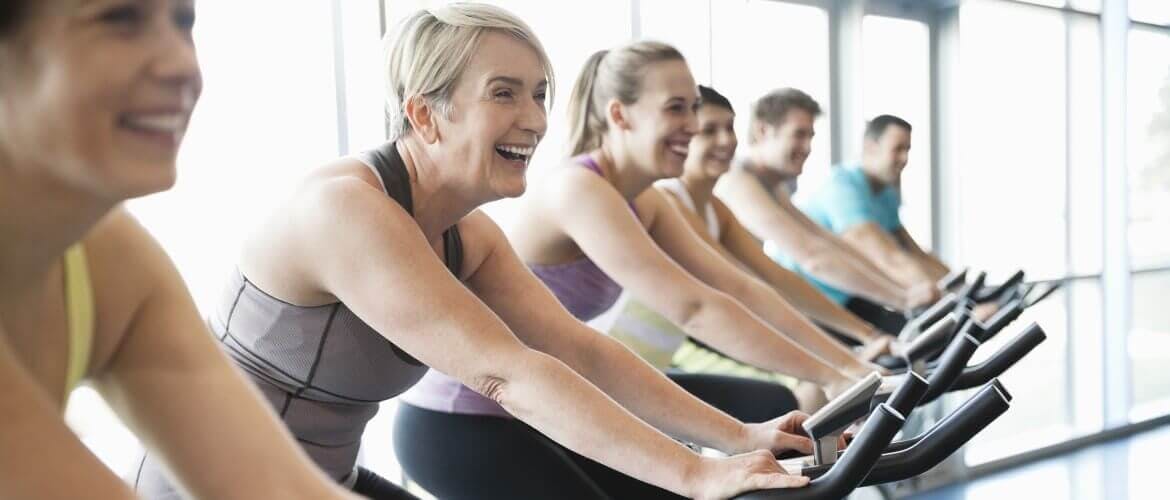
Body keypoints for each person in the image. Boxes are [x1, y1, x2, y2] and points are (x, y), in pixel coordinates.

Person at [138, 5, 818, 500]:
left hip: (320, 480)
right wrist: (695, 474)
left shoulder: (466, 236)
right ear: (426, 114)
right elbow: (506, 376)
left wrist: (739, 437)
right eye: (504, 93)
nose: (535, 118)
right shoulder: (344, 210)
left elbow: (578, 351)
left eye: (540, 93)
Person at [0, 1, 360, 498]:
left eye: (183, 22)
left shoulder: (106, 259)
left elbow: (280, 490)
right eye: (119, 19)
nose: (182, 66)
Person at [606, 86, 897, 405]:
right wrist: (842, 362)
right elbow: (739, 289)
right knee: (795, 396)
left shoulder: (716, 209)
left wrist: (863, 339)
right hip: (647, 359)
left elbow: (775, 278)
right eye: (709, 131)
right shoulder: (670, 200)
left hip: (672, 349)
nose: (725, 141)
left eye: (729, 127)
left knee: (813, 389)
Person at [716, 89, 938, 334]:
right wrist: (903, 298)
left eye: (810, 136)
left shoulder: (773, 185)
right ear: (763, 131)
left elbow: (826, 241)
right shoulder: (736, 180)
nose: (807, 147)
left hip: (759, 309)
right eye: (799, 135)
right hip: (728, 321)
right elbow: (812, 257)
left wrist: (901, 292)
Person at [801, 115, 950, 290]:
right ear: (870, 147)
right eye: (897, 149)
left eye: (907, 150)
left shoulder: (886, 194)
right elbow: (887, 257)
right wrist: (953, 297)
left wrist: (966, 287)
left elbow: (913, 252)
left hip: (849, 294)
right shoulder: (842, 186)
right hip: (811, 296)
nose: (904, 159)